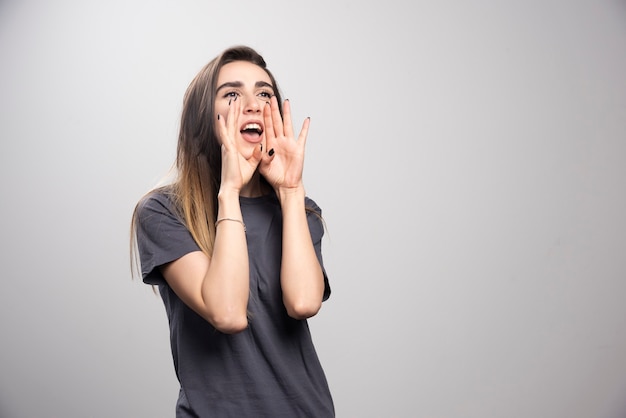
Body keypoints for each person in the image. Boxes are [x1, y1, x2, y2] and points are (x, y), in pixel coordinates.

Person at [130, 45, 334, 417]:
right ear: (204, 117)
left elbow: (304, 302)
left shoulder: (301, 212)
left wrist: (290, 192)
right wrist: (230, 193)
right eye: (232, 94)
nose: (253, 104)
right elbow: (227, 313)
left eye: (264, 93)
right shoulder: (162, 212)